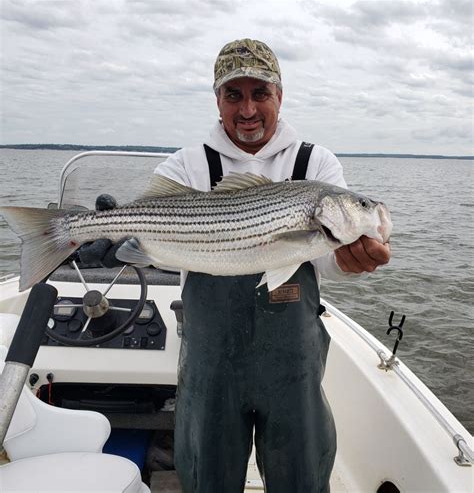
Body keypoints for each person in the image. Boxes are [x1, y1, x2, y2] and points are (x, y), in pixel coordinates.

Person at [81, 39, 390, 492]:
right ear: (217, 99)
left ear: (279, 96)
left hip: (293, 363)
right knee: (208, 475)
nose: (247, 109)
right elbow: (158, 241)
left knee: (301, 476)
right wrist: (119, 240)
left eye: (260, 93)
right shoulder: (187, 163)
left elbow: (325, 260)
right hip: (210, 360)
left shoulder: (314, 164)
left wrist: (352, 262)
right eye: (234, 95)